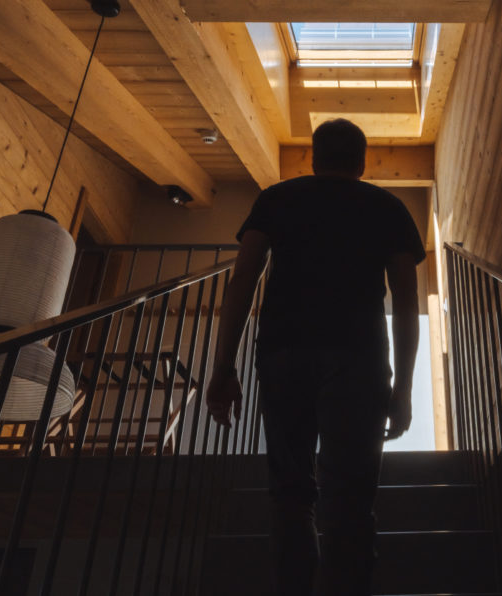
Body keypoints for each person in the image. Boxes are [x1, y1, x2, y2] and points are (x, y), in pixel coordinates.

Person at [205, 118, 425, 596]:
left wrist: (224, 368)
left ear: (314, 158)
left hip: (284, 352)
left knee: (290, 493)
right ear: (362, 162)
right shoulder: (388, 207)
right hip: (360, 358)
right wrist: (403, 388)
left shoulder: (277, 198)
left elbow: (242, 281)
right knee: (351, 499)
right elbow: (406, 304)